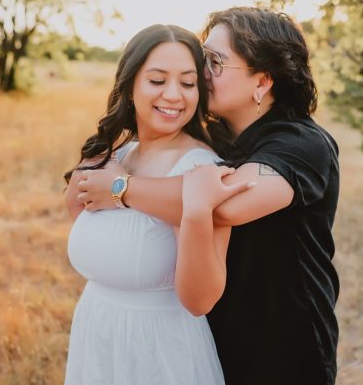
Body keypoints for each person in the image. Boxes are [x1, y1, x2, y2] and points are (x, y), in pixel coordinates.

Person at [76, 7, 341, 384]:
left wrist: (121, 188)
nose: (202, 72)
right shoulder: (216, 135)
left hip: (282, 347)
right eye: (204, 57)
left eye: (215, 62)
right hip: (213, 334)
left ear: (262, 82)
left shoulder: (301, 142)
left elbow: (225, 204)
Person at [62, 24, 250, 384]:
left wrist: (193, 209)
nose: (174, 95)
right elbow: (82, 216)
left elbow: (201, 300)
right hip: (96, 336)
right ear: (130, 85)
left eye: (188, 82)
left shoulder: (199, 170)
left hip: (159, 354)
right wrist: (98, 162)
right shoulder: (118, 155)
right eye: (157, 80)